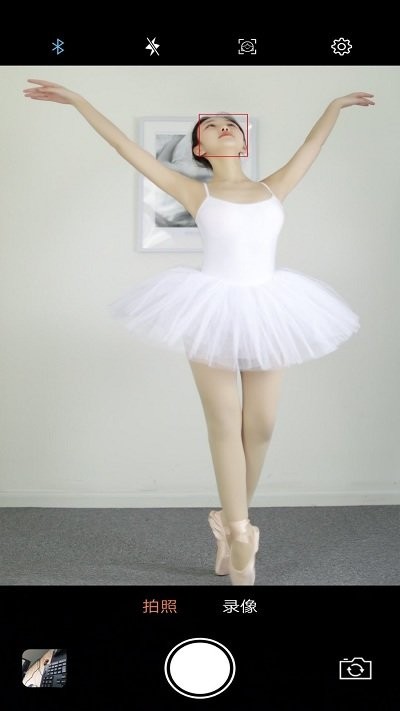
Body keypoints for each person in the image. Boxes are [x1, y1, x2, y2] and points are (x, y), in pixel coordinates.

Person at [23, 80, 374, 585]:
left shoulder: (273, 187)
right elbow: (124, 147)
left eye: (230, 124)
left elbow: (311, 145)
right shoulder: (195, 191)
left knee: (261, 425)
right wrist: (79, 102)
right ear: (200, 149)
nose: (223, 128)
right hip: (211, 308)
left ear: (243, 141)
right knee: (224, 420)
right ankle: (240, 533)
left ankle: (226, 521)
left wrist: (334, 105)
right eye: (211, 126)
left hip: (270, 308)